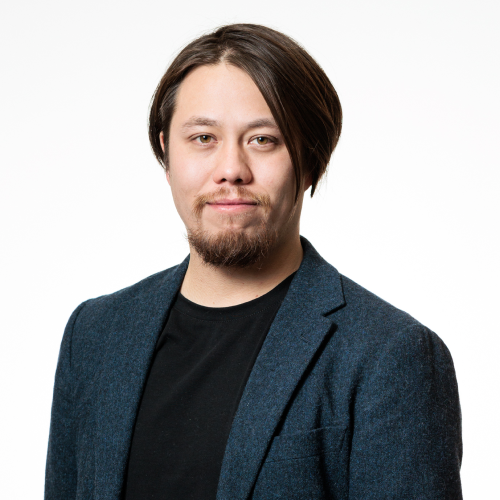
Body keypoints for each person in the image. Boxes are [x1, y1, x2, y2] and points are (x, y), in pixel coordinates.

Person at [44, 24, 462, 500]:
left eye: (263, 140)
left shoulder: (390, 356)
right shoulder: (94, 336)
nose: (231, 170)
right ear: (166, 152)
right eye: (203, 137)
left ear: (311, 161)